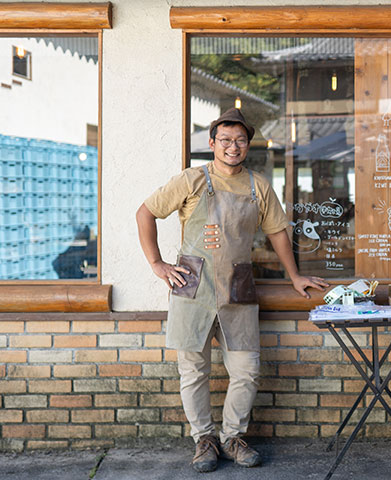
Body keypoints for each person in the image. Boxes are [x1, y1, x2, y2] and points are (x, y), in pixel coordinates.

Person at [136, 108, 328, 473]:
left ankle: (232, 437)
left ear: (247, 145)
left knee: (246, 369)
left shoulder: (258, 186)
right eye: (225, 140)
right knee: (193, 371)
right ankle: (204, 439)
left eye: (240, 140)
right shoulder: (192, 180)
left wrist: (294, 276)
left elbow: (277, 233)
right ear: (212, 144)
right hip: (192, 285)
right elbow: (145, 213)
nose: (232, 146)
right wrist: (157, 264)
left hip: (239, 286)